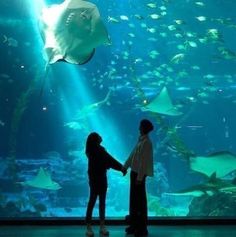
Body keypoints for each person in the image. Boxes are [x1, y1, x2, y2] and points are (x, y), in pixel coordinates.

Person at [85, 132, 126, 237]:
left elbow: (108, 161)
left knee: (92, 202)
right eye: (98, 136)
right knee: (100, 202)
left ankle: (90, 227)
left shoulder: (90, 150)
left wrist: (117, 166)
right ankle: (101, 226)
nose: (101, 137)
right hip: (99, 179)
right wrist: (121, 167)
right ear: (96, 139)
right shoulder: (99, 150)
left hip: (96, 178)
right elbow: (110, 160)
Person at [123, 119, 154, 237]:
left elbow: (144, 162)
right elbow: (133, 155)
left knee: (140, 202)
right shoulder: (141, 140)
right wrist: (125, 166)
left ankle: (142, 227)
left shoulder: (147, 143)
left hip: (139, 175)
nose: (138, 128)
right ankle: (134, 225)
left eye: (140, 126)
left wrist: (140, 177)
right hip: (134, 173)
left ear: (144, 128)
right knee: (134, 201)